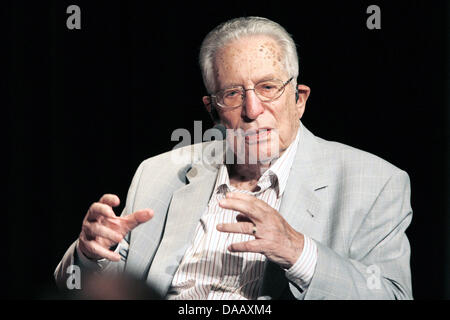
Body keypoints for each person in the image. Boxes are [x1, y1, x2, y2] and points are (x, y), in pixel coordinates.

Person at [54, 16, 413, 299]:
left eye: (269, 87)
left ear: (299, 99)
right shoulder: (159, 172)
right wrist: (92, 254)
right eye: (233, 93)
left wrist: (298, 252)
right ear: (212, 109)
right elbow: (91, 289)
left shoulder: (374, 182)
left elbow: (392, 296)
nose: (253, 109)